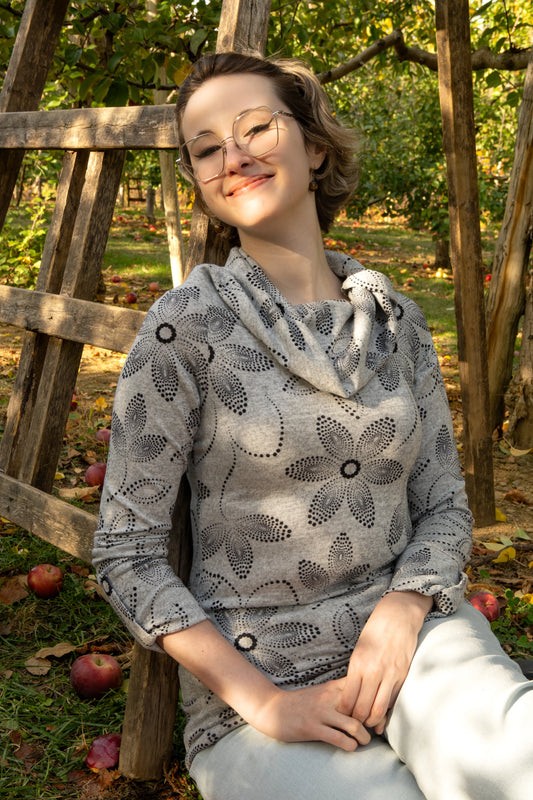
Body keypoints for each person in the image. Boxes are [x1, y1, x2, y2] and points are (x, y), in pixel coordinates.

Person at [92, 51, 533, 800]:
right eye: (206, 149)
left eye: (255, 127)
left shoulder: (398, 324)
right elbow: (126, 553)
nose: (234, 156)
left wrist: (405, 606)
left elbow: (443, 507)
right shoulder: (182, 330)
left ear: (316, 146)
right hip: (261, 678)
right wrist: (265, 703)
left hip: (415, 642)